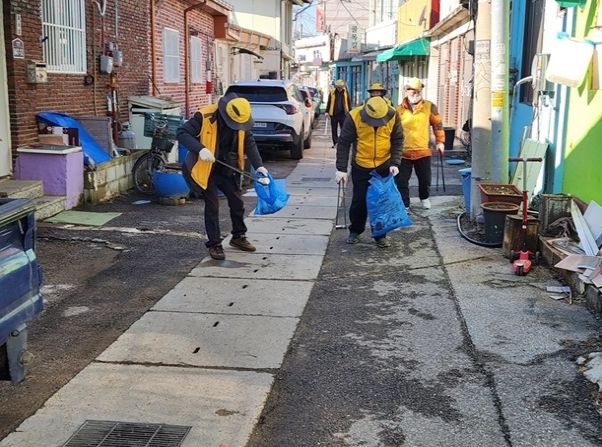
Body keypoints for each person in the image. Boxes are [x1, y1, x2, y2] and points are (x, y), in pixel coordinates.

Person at [177, 92, 271, 261]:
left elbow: (249, 143)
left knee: (237, 202)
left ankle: (238, 236)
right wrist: (200, 149)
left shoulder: (241, 119)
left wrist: (259, 167)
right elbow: (182, 133)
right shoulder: (204, 116)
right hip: (205, 168)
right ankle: (214, 244)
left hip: (227, 167)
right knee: (212, 205)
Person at [335, 96, 404, 248]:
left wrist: (395, 162)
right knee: (359, 201)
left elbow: (398, 139)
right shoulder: (353, 116)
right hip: (361, 165)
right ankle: (356, 230)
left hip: (383, 165)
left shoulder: (393, 115)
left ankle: (380, 234)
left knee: (381, 202)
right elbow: (344, 143)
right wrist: (341, 169)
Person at [395, 78, 445, 210]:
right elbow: (392, 130)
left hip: (422, 150)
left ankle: (424, 198)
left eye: (418, 91)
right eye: (413, 91)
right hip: (403, 152)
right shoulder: (398, 110)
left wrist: (440, 142)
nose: (415, 94)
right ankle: (404, 204)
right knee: (401, 180)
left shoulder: (429, 106)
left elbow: (437, 124)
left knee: (425, 179)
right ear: (407, 91)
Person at [326, 79, 352, 148]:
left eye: (341, 87)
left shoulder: (346, 92)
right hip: (334, 114)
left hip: (343, 114)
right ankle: (335, 143)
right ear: (336, 87)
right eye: (338, 87)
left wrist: (350, 111)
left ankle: (341, 142)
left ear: (343, 86)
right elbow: (329, 102)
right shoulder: (332, 92)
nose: (340, 88)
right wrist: (326, 111)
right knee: (334, 129)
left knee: (343, 129)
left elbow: (348, 102)